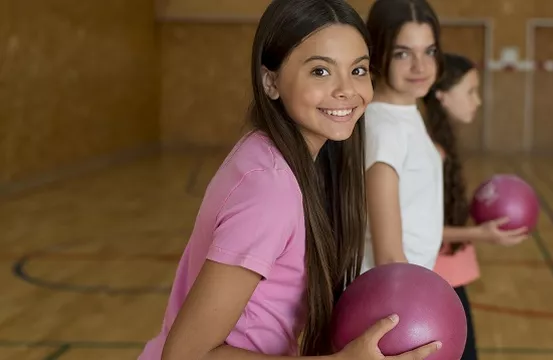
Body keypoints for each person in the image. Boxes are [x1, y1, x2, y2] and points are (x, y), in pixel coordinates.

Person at [138, 0, 440, 359]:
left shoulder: (277, 156)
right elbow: (186, 355)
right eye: (321, 72)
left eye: (358, 70)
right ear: (271, 81)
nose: (346, 89)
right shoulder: (269, 187)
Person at [424, 53, 530, 360]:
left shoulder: (441, 144)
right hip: (437, 278)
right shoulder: (430, 150)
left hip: (448, 276)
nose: (478, 101)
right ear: (442, 95)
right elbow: (415, 227)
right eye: (470, 91)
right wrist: (481, 233)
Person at [361, 0, 446, 272]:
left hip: (412, 281)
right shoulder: (385, 128)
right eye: (402, 54)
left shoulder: (405, 113)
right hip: (394, 294)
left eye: (429, 51)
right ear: (377, 54)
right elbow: (388, 257)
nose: (420, 67)